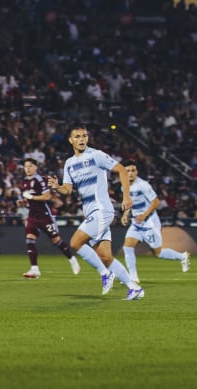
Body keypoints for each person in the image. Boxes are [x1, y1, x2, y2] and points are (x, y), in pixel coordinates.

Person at [47, 125, 144, 300]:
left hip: (102, 209)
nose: (82, 139)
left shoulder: (96, 155)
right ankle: (134, 288)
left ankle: (104, 274)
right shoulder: (69, 163)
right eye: (77, 136)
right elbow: (67, 190)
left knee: (75, 243)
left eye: (84, 136)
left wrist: (126, 197)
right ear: (71, 140)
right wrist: (57, 188)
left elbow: (121, 169)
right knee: (106, 256)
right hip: (90, 211)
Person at [120, 160, 190, 284]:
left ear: (137, 172)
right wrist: (126, 214)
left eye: (133, 170)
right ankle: (133, 277)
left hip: (149, 223)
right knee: (127, 247)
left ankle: (182, 256)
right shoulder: (124, 185)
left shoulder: (143, 185)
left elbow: (156, 201)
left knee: (158, 253)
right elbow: (130, 202)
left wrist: (144, 215)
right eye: (128, 170)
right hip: (136, 223)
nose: (130, 173)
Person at [19, 157, 81, 279]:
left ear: (35, 167)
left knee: (56, 240)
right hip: (32, 215)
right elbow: (30, 198)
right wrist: (23, 202)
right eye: (26, 167)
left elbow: (47, 196)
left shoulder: (40, 180)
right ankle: (34, 269)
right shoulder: (25, 181)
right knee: (29, 239)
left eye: (30, 166)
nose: (28, 169)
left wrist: (31, 198)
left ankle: (72, 259)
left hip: (44, 216)